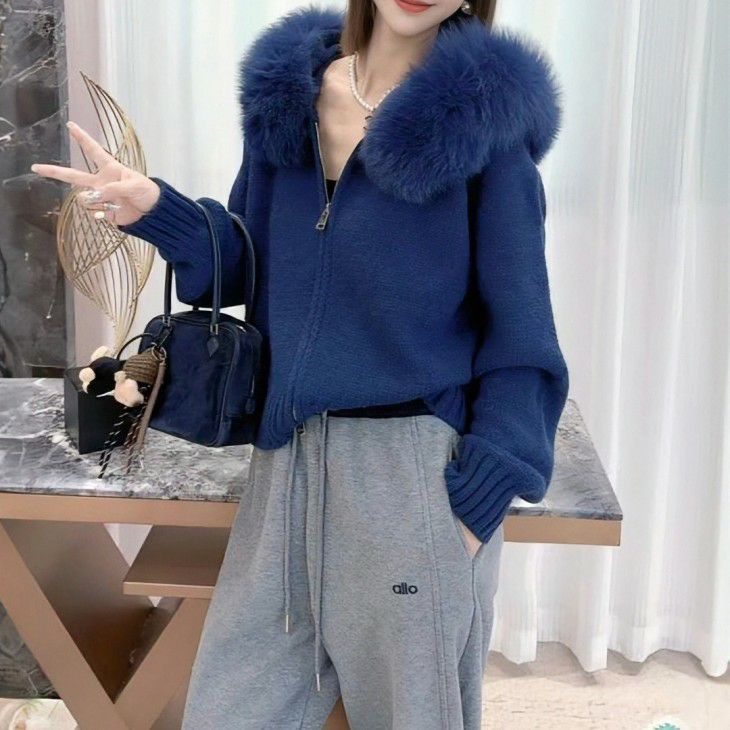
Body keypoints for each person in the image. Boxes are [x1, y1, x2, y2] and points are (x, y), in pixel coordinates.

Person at [31, 1, 569, 727]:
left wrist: (473, 505)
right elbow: (252, 265)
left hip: (408, 482)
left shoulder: (486, 136)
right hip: (284, 466)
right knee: (227, 711)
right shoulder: (289, 105)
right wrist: (159, 209)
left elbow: (524, 336)